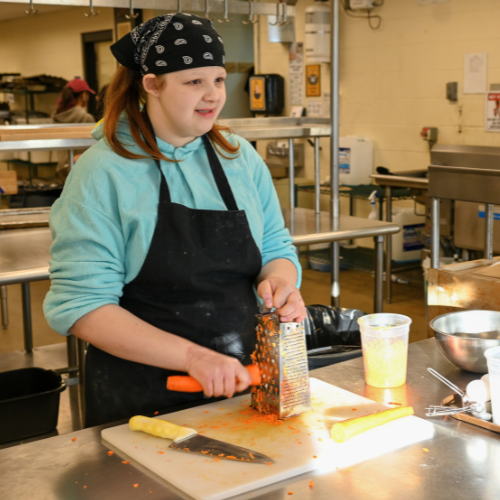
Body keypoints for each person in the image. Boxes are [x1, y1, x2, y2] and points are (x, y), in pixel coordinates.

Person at [44, 13, 306, 428]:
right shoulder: (103, 172)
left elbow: (274, 244)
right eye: (194, 82)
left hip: (246, 384)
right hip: (143, 400)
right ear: (152, 85)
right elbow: (84, 306)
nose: (213, 96)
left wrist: (281, 280)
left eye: (218, 80)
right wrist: (192, 357)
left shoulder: (238, 155)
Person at [52, 78, 96, 181]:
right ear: (84, 95)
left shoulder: (57, 116)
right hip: (80, 167)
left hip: (63, 168)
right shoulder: (86, 118)